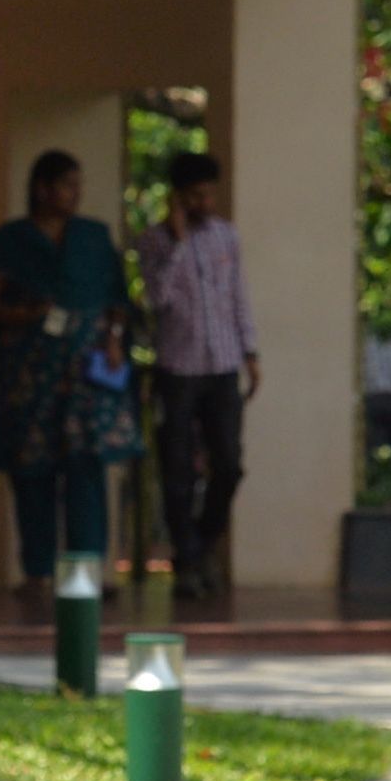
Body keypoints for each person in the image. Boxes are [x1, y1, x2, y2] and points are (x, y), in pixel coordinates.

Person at [0, 148, 137, 605]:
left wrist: (113, 340)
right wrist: (21, 314)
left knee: (87, 465)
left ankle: (90, 569)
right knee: (33, 469)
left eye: (78, 186)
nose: (74, 195)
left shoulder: (93, 236)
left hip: (86, 372)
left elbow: (117, 298)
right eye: (66, 185)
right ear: (43, 189)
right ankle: (38, 571)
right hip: (30, 369)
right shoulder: (12, 239)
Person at [134, 150, 260, 601]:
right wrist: (176, 240)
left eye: (209, 194)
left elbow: (238, 296)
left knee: (228, 463)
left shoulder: (227, 237)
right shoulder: (153, 242)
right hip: (178, 367)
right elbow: (156, 299)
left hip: (223, 364)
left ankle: (204, 542)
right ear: (178, 196)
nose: (204, 202)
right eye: (195, 195)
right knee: (177, 468)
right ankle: (185, 559)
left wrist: (251, 351)